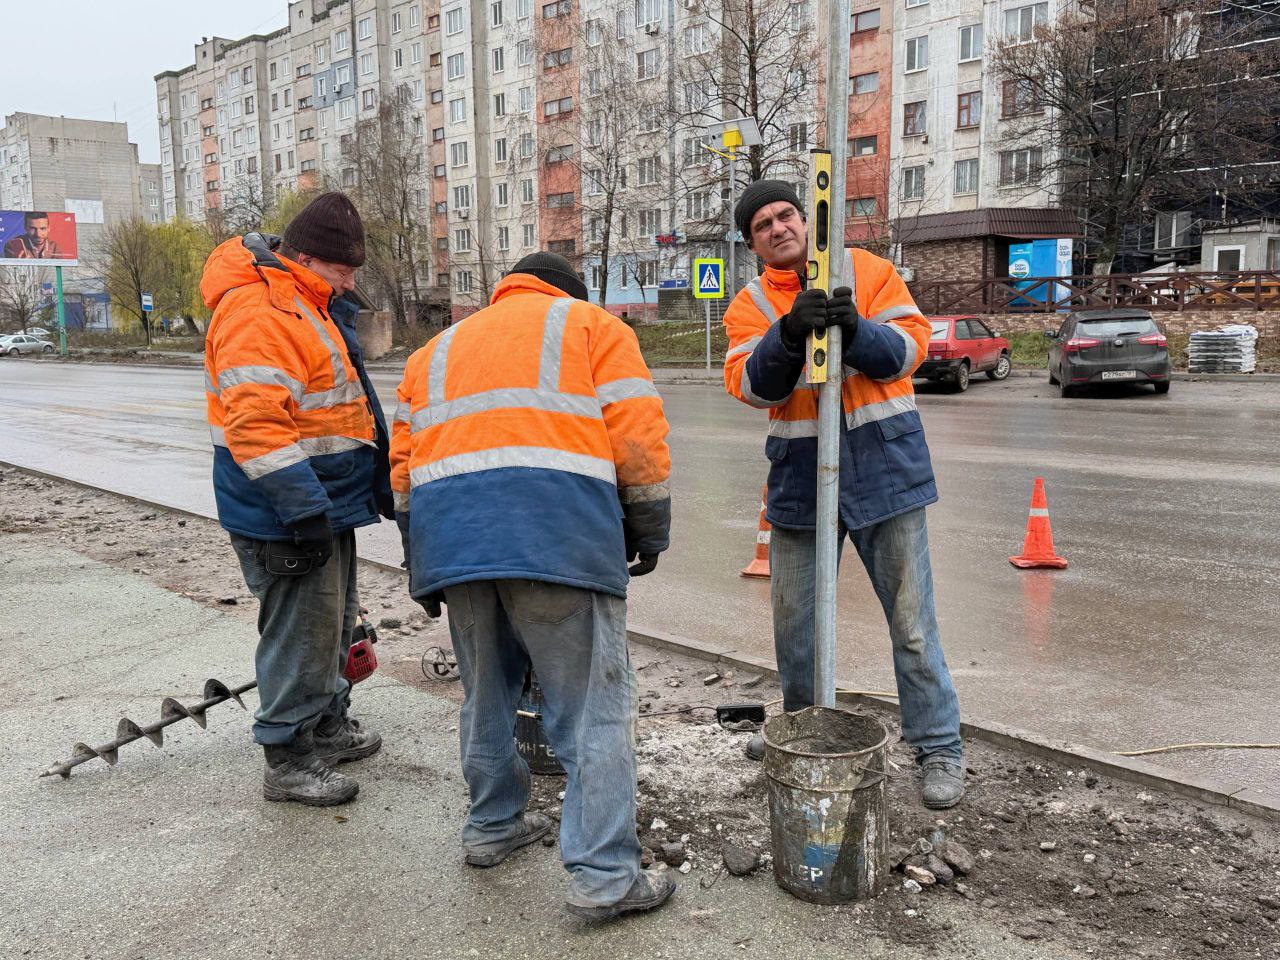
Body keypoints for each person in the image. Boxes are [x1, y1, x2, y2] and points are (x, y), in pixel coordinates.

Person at [390, 252, 677, 921]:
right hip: (557, 538)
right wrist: (648, 527)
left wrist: (420, 559)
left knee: (485, 697)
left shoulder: (432, 353)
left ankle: (492, 827)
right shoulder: (591, 327)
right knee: (590, 712)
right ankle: (606, 876)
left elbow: (402, 470)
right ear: (570, 293)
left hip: (456, 543)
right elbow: (636, 437)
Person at [722, 180, 965, 810]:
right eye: (762, 226)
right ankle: (804, 736)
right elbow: (752, 386)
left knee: (912, 624)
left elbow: (908, 352)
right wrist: (786, 334)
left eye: (785, 216)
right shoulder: (750, 303)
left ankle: (939, 747)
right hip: (803, 478)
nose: (778, 228)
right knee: (797, 629)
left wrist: (853, 326)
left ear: (806, 219)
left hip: (884, 469)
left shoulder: (871, 271)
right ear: (753, 245)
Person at [201, 192, 393, 806]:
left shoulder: (309, 303)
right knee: (300, 634)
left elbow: (344, 404)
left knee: (336, 622)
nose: (351, 281)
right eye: (344, 269)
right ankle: (287, 759)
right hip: (283, 512)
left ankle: (327, 724)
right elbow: (256, 427)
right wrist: (304, 510)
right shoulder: (260, 312)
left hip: (321, 502)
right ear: (305, 257)